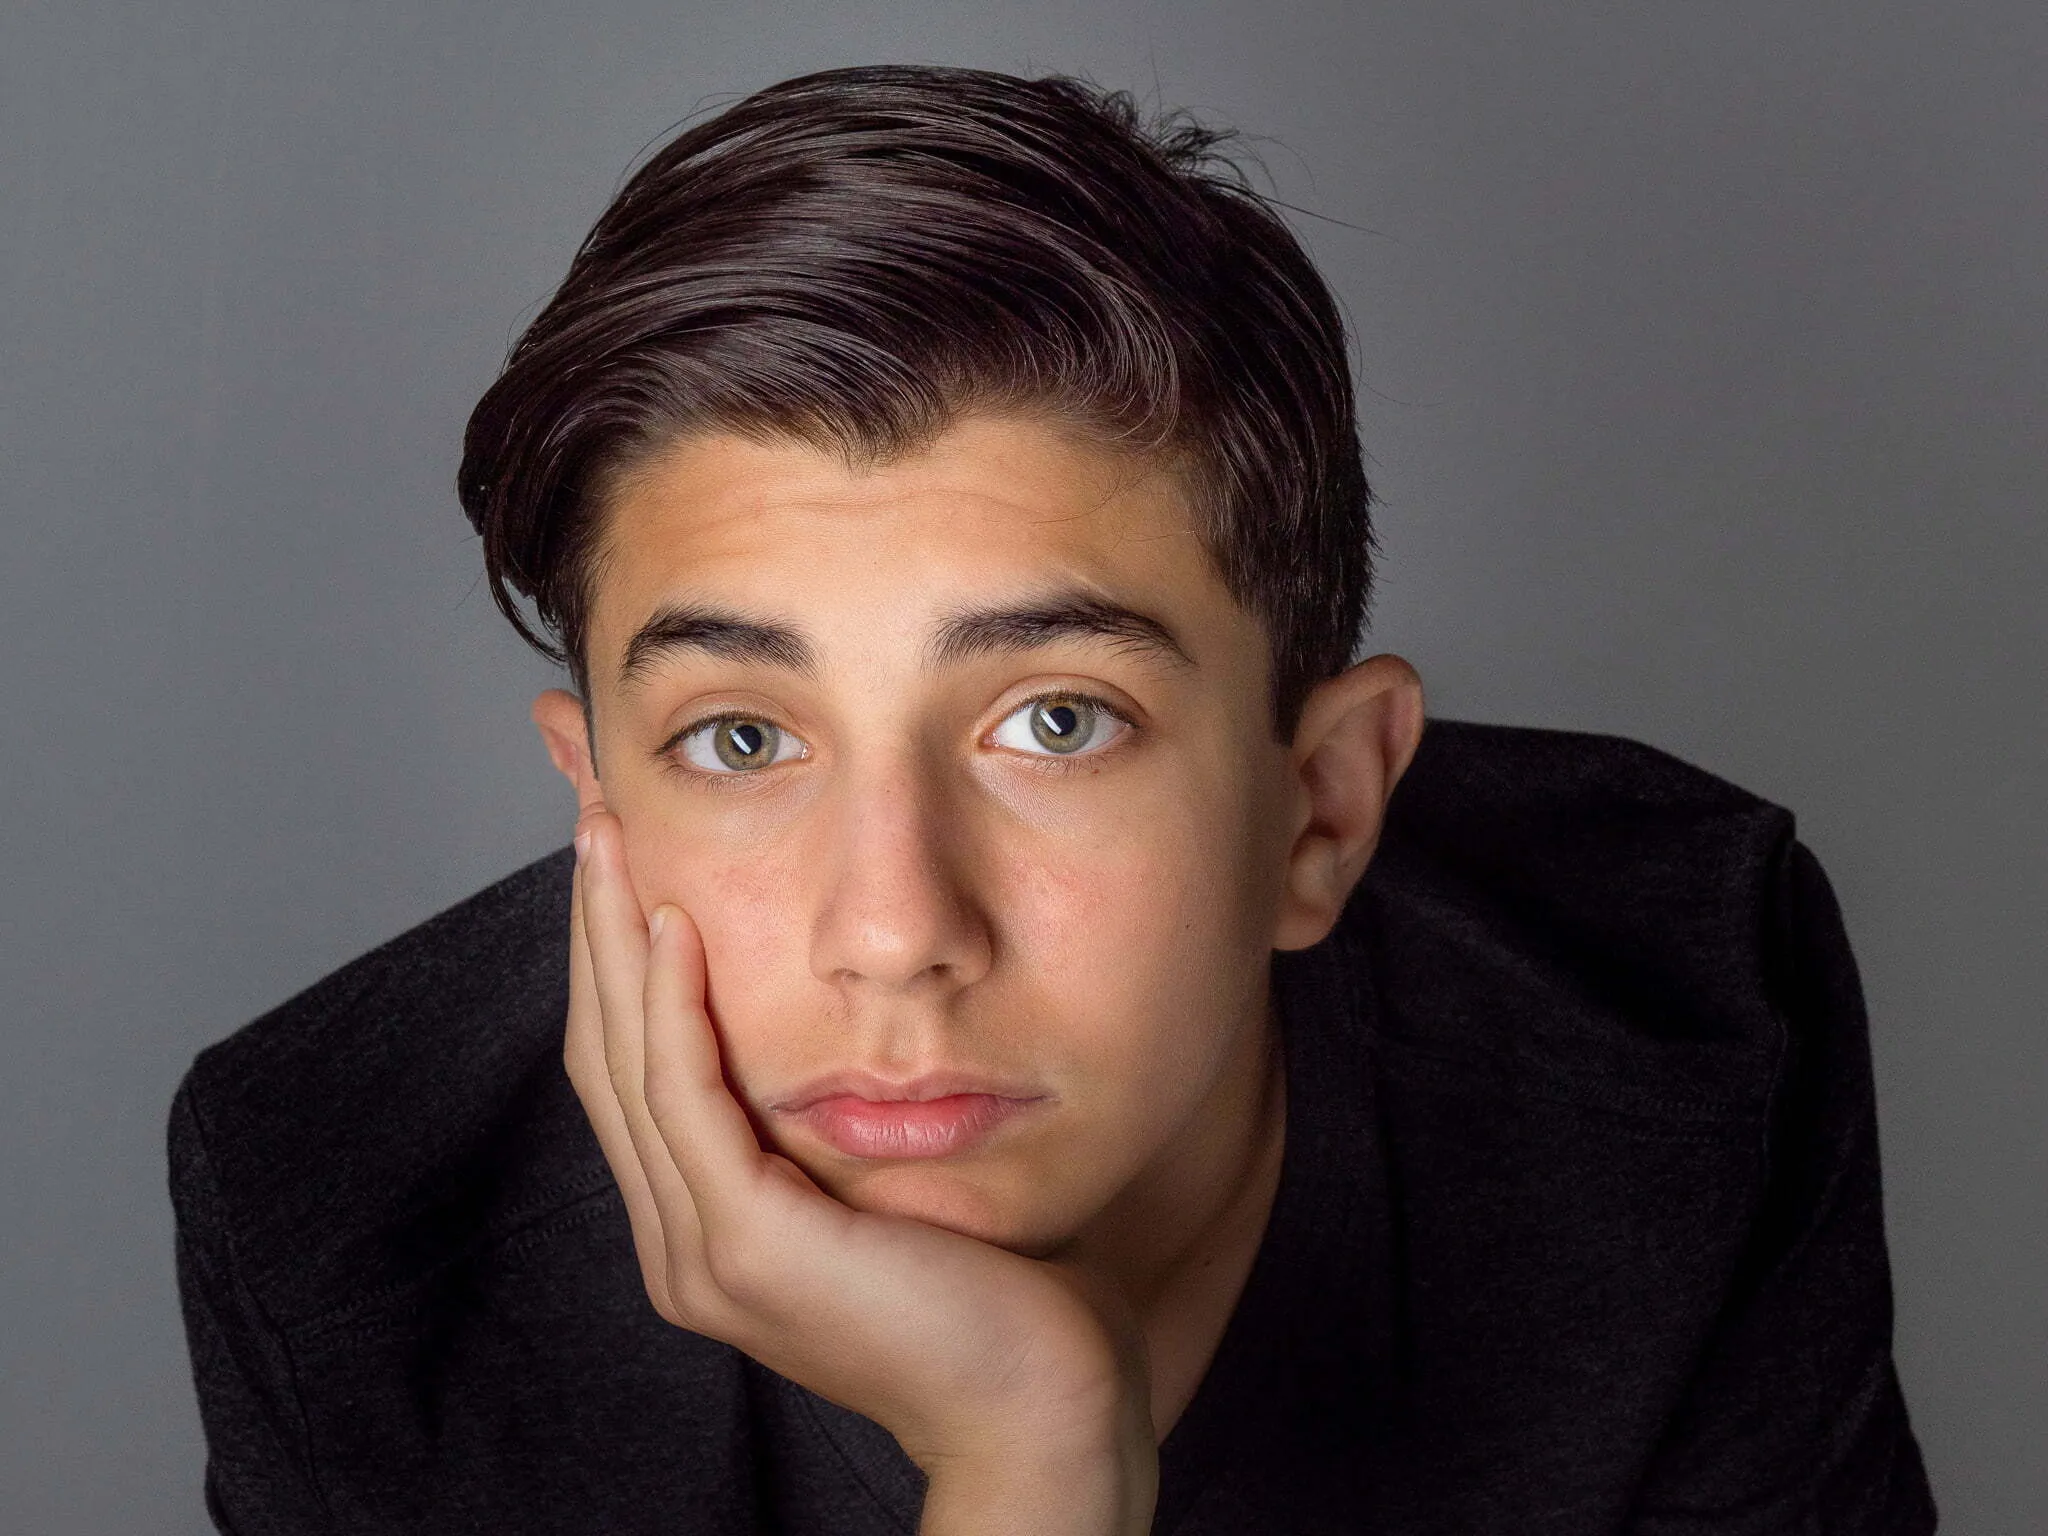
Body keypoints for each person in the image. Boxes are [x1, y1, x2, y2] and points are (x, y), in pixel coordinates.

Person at [167, 64, 1937, 1535]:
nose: (896, 932)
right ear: (596, 809)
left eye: (1057, 722)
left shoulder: (1670, 1009)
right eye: (742, 739)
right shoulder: (347, 1232)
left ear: (1318, 808)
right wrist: (1034, 1458)